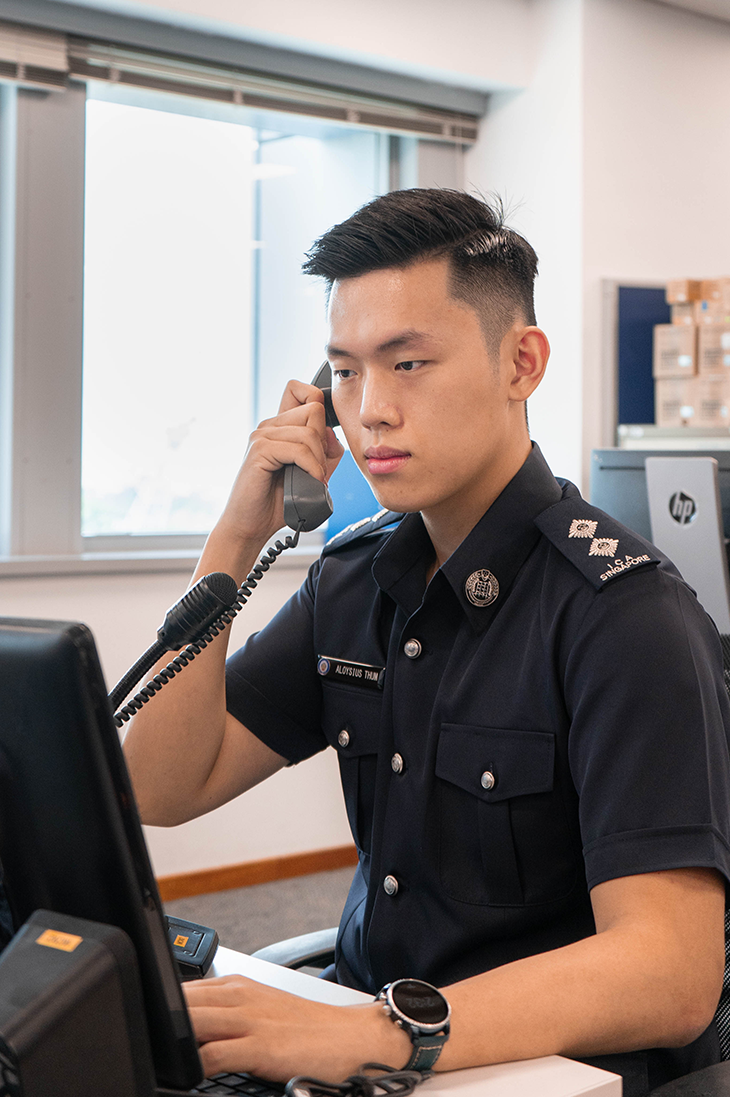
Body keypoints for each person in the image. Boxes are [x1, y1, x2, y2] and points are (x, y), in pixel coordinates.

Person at [123, 189, 730, 1097]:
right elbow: (162, 784)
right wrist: (234, 539)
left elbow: (671, 973)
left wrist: (376, 1031)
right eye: (345, 372)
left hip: (542, 1072)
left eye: (407, 363)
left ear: (521, 363)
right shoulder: (352, 580)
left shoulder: (625, 616)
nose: (370, 410)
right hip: (368, 1048)